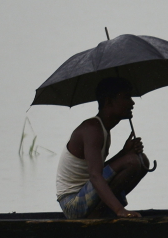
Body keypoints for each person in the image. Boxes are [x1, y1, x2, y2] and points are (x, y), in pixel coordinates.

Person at [55, 77, 150, 219]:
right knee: (132, 161)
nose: (132, 103)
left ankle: (103, 210)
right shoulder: (93, 129)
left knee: (141, 160)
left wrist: (124, 152)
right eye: (126, 97)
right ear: (109, 102)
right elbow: (95, 176)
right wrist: (120, 210)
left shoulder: (102, 129)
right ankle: (100, 213)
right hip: (72, 204)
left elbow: (98, 170)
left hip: (84, 193)